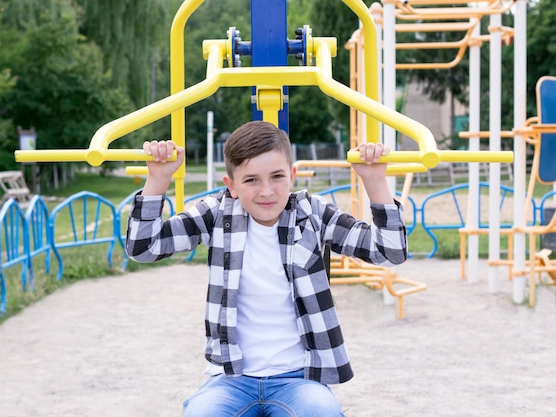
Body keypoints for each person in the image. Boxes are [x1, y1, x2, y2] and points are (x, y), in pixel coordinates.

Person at [126, 120, 407, 416]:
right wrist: (158, 179)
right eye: (251, 180)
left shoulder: (310, 213)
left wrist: (376, 182)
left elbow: (389, 252)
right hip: (230, 379)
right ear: (231, 186)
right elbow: (144, 248)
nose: (266, 191)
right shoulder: (217, 213)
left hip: (298, 378)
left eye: (277, 176)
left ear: (292, 176)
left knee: (320, 412)